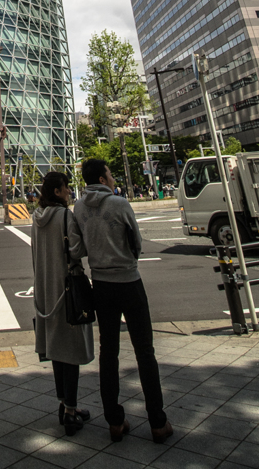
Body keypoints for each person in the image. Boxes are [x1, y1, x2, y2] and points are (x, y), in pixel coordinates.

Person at [73, 158, 172, 444]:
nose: (113, 178)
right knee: (145, 352)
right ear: (103, 180)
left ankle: (114, 422)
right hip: (129, 282)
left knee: (109, 353)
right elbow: (137, 242)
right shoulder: (119, 203)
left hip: (101, 285)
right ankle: (157, 422)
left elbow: (77, 248)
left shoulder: (78, 208)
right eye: (110, 174)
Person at [32, 171, 94, 436]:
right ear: (57, 192)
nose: (70, 191)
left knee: (57, 350)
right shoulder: (65, 216)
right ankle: (70, 410)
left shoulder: (36, 219)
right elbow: (77, 251)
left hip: (46, 291)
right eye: (66, 187)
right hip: (67, 291)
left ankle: (64, 403)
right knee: (70, 352)